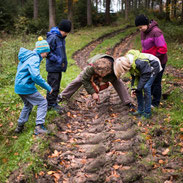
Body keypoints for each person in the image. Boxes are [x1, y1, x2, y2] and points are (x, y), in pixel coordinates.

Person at [57, 54, 134, 110]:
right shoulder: (91, 68)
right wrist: (93, 93)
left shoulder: (114, 70)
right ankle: (62, 96)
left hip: (110, 71)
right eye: (99, 74)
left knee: (118, 82)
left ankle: (127, 102)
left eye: (103, 74)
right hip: (94, 67)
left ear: (108, 71)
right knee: (78, 80)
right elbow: (85, 79)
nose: (101, 76)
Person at [14, 36, 53, 135]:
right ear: (42, 51)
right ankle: (39, 127)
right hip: (26, 86)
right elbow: (35, 76)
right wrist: (48, 87)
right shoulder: (35, 58)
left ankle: (19, 127)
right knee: (42, 102)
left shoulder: (28, 56)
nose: (46, 55)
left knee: (28, 105)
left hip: (18, 86)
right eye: (46, 52)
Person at [114, 49, 162, 118]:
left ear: (125, 66)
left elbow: (146, 75)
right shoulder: (130, 64)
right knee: (137, 88)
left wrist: (138, 88)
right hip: (145, 70)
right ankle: (140, 110)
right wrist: (134, 88)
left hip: (153, 66)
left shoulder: (139, 62)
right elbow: (134, 77)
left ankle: (147, 112)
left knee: (146, 87)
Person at [135, 14, 168, 107]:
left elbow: (163, 49)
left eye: (141, 27)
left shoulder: (156, 32)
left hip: (159, 61)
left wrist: (154, 58)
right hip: (149, 61)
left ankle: (155, 102)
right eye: (138, 28)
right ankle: (150, 99)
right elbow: (144, 48)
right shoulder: (143, 32)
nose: (140, 29)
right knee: (150, 81)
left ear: (146, 24)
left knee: (156, 81)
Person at [46, 19, 71, 113]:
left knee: (56, 86)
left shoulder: (60, 38)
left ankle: (54, 102)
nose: (67, 34)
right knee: (52, 86)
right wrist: (57, 60)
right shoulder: (53, 37)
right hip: (53, 67)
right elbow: (46, 51)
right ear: (62, 30)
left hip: (58, 67)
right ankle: (50, 104)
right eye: (66, 32)